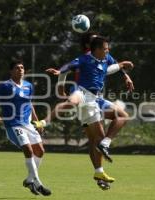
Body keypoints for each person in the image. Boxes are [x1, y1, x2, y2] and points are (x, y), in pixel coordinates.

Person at [33, 36, 134, 187]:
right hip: (83, 93)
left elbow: (111, 68)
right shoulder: (85, 59)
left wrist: (123, 67)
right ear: (96, 48)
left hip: (96, 99)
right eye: (106, 48)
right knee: (72, 102)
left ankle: (101, 163)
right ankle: (43, 122)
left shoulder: (105, 59)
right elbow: (69, 66)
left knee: (116, 122)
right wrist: (59, 72)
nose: (108, 50)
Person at [0, 60, 51, 196]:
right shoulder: (5, 86)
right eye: (17, 68)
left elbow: (30, 104)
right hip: (13, 124)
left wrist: (37, 121)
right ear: (11, 71)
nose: (20, 70)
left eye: (22, 67)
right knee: (28, 150)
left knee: (40, 151)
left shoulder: (28, 86)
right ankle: (38, 183)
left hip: (28, 124)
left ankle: (29, 180)